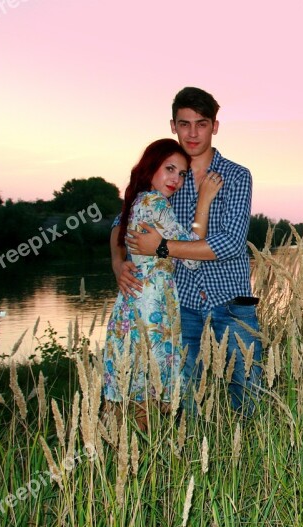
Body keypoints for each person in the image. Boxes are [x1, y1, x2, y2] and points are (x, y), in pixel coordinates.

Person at [112, 87, 263, 419]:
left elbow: (230, 244)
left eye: (202, 123)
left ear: (215, 127)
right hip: (181, 307)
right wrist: (117, 262)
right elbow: (120, 220)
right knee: (183, 404)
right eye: (184, 124)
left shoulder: (236, 176)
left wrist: (161, 247)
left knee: (249, 397)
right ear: (173, 126)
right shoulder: (167, 175)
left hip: (232, 304)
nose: (192, 133)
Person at [104, 138, 223, 432]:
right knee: (150, 397)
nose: (176, 179)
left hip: (133, 306)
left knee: (132, 395)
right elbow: (193, 254)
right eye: (169, 169)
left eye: (182, 173)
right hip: (151, 311)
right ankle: (142, 463)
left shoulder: (138, 201)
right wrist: (204, 201)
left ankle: (127, 462)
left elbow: (120, 229)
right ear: (151, 167)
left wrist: (122, 262)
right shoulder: (155, 203)